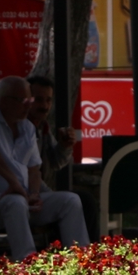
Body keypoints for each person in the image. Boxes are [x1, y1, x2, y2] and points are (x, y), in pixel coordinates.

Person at [0, 75, 90, 260]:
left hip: (23, 200)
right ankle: (28, 264)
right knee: (15, 202)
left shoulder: (27, 128)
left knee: (70, 201)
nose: (29, 106)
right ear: (5, 101)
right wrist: (13, 183)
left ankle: (81, 261)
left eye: (30, 100)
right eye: (25, 101)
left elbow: (34, 169)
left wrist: (35, 194)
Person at [26, 74, 98, 240]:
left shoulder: (41, 127)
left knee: (83, 201)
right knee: (78, 201)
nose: (44, 106)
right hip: (26, 194)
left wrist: (65, 146)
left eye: (48, 100)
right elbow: (27, 171)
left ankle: (89, 253)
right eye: (38, 99)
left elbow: (56, 161)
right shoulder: (21, 127)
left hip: (37, 193)